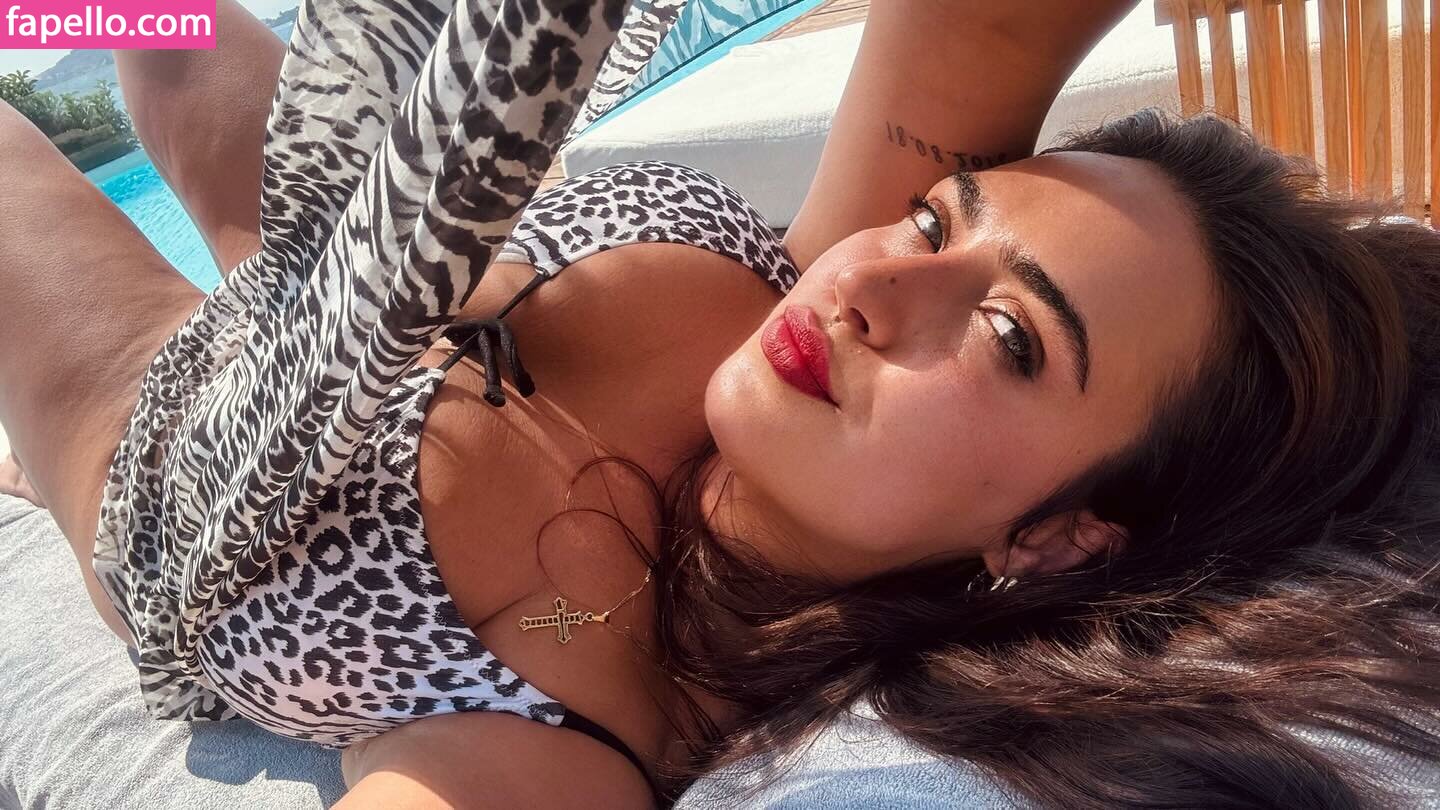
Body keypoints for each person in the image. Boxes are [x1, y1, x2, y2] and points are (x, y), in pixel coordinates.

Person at [1, 0, 1437, 807]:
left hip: (167, 422)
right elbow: (993, 24)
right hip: (344, 235)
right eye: (940, 219)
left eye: (1008, 337)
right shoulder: (801, 301)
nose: (878, 283)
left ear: (1058, 537)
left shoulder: (560, 739)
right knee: (156, 17)